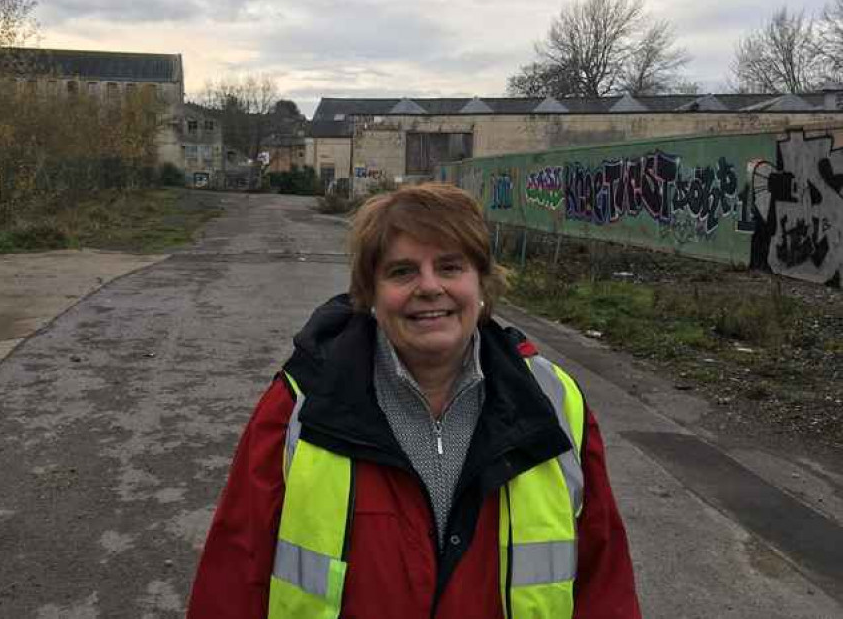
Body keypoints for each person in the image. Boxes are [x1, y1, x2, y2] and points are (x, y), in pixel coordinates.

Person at [188, 182, 641, 618]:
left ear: (482, 285)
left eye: (450, 267)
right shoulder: (301, 405)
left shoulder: (553, 401)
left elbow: (604, 579)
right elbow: (234, 573)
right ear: (369, 294)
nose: (429, 287)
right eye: (402, 271)